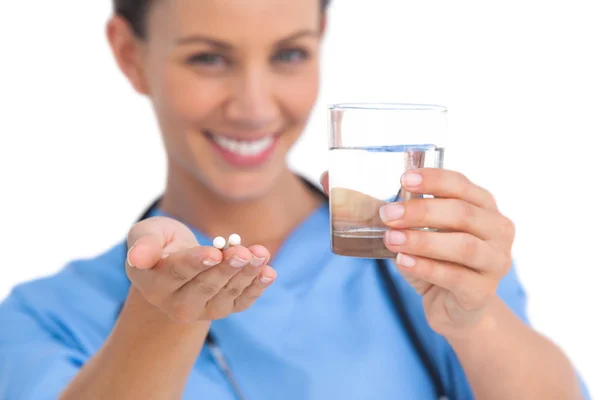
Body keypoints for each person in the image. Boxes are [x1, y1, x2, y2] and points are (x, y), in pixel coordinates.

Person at [0, 0, 591, 399]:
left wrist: (476, 319)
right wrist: (160, 318)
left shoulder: (426, 254)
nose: (254, 107)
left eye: (289, 54)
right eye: (208, 57)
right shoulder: (45, 318)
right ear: (131, 55)